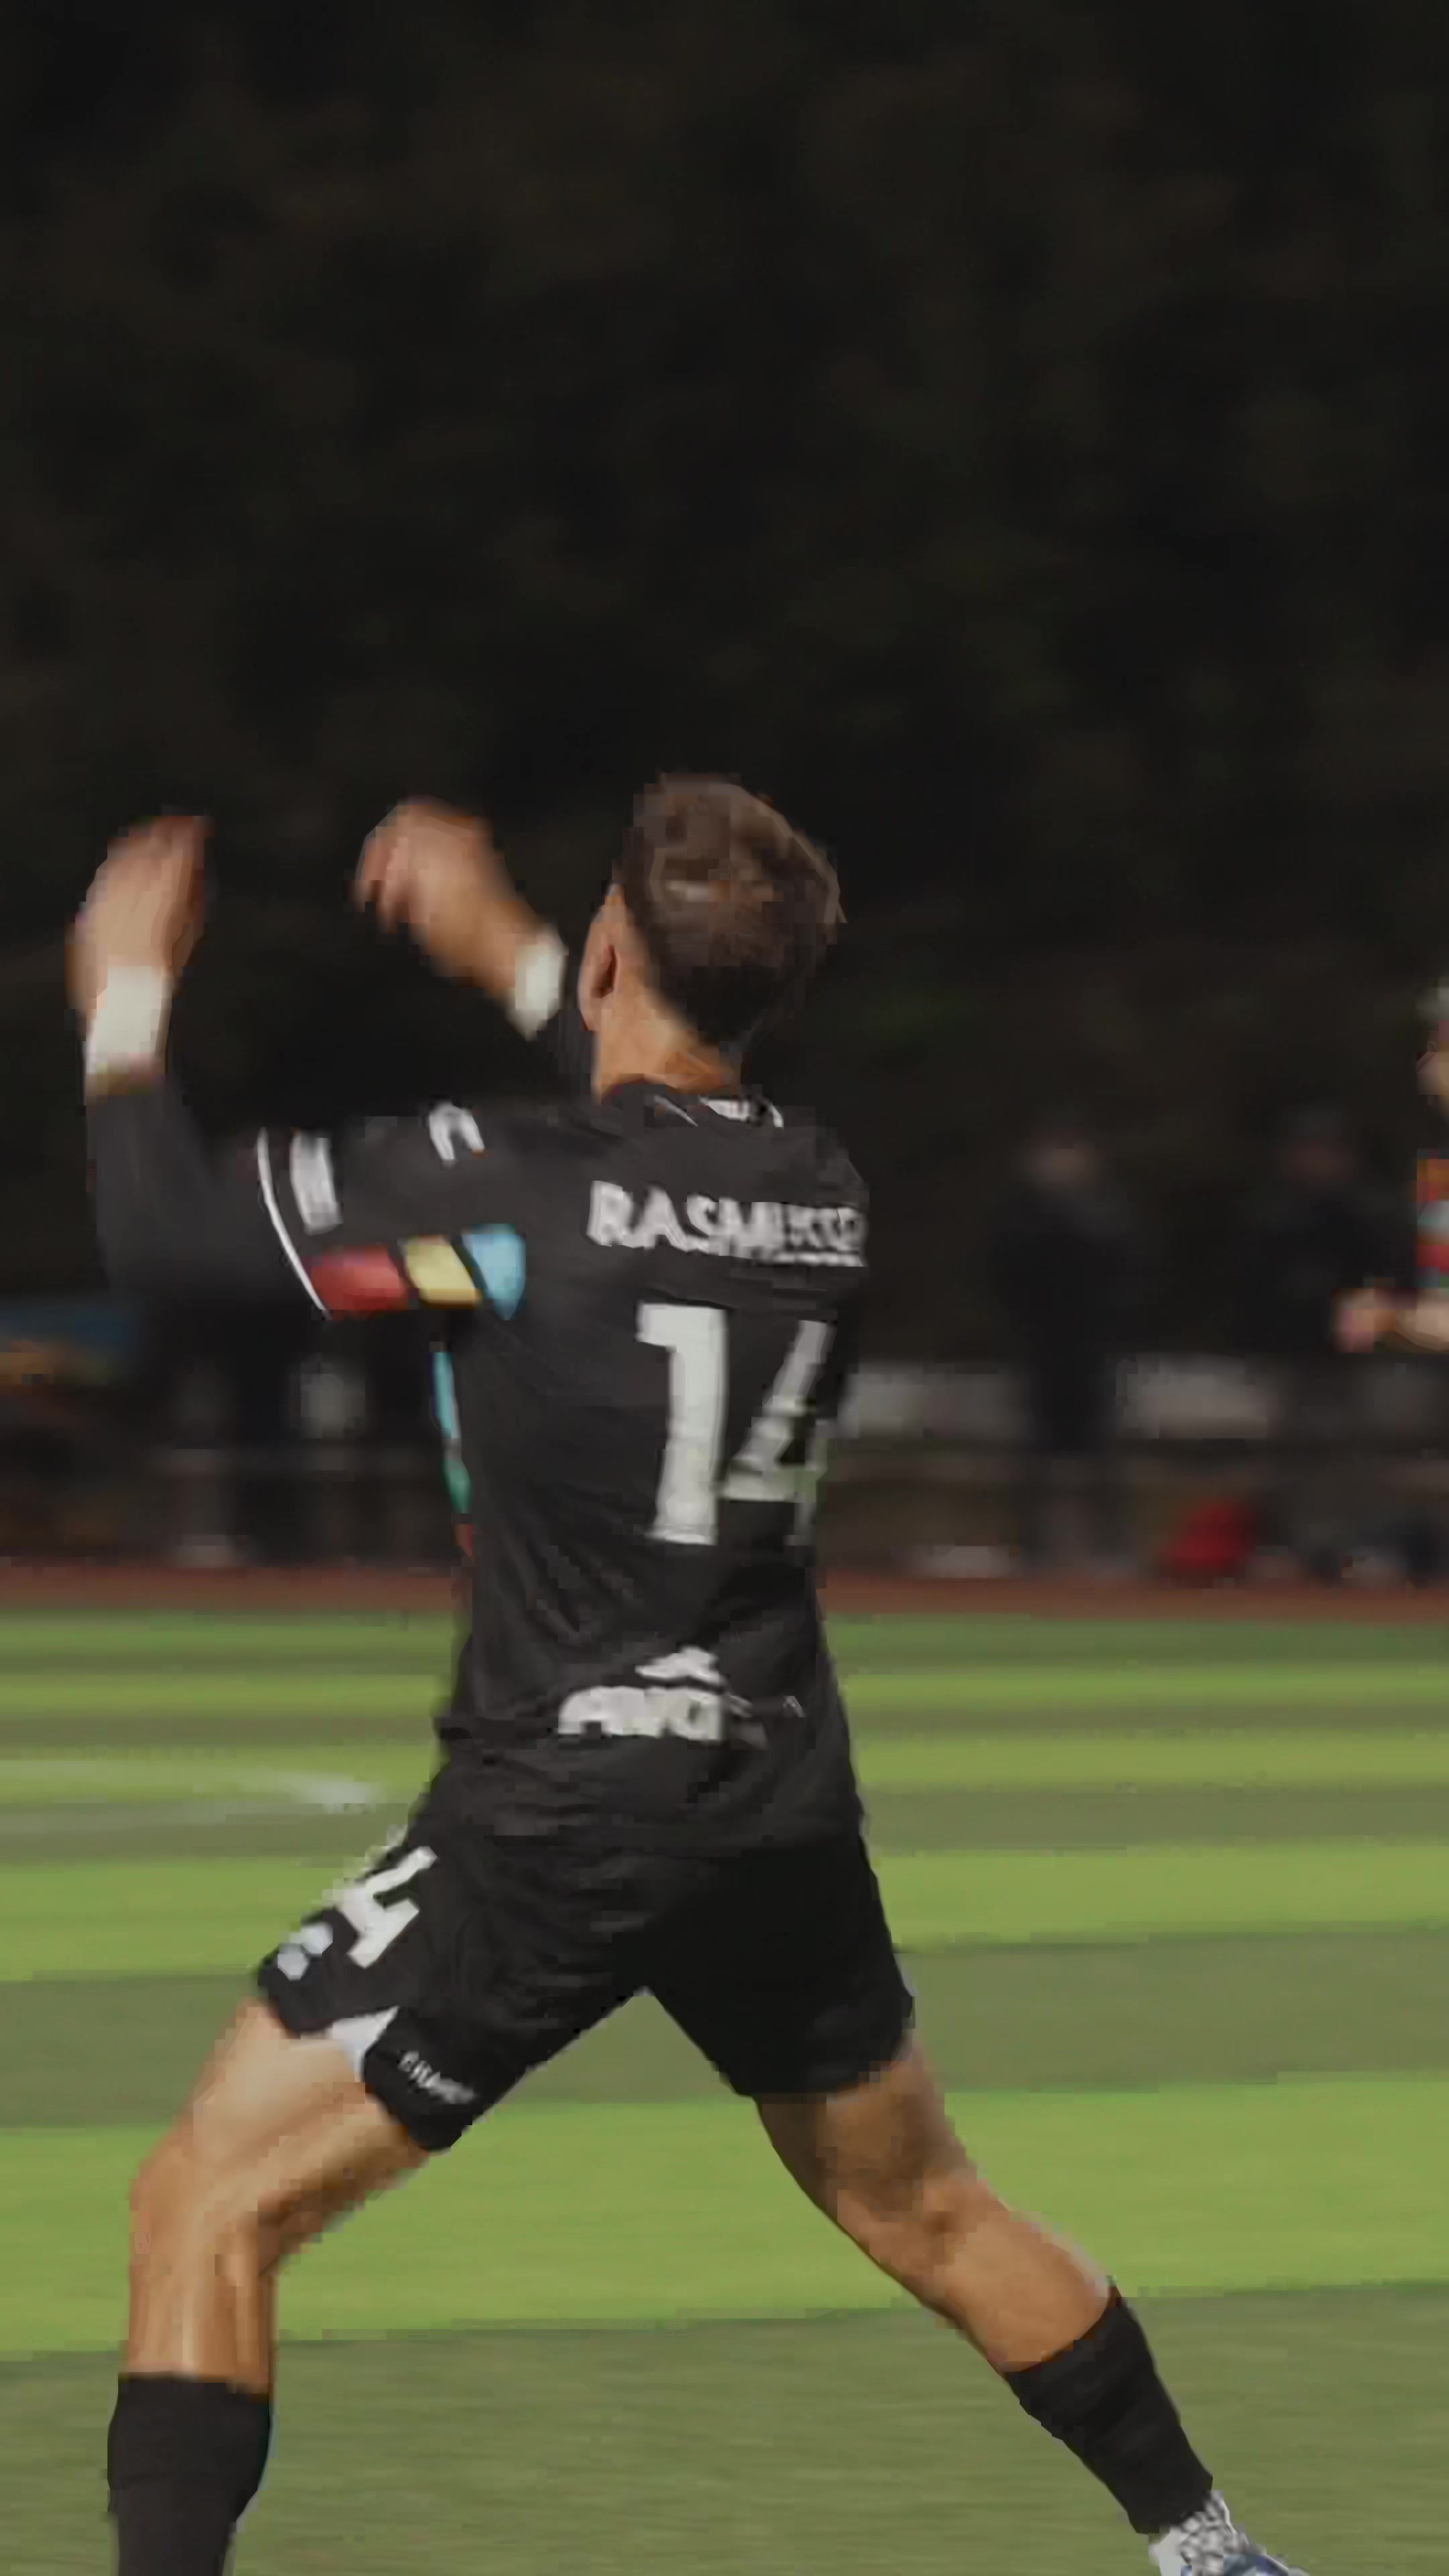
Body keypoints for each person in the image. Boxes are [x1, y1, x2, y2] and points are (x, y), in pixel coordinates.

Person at [73, 788, 1307, 2576]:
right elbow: (654, 1131)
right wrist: (510, 948)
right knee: (925, 2206)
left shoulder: (496, 1187)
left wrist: (121, 998)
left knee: (204, 2204)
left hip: (556, 1814)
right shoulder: (822, 1191)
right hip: (768, 1798)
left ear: (608, 957)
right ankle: (1208, 2546)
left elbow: (171, 1233)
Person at [1241, 1108, 1407, 1574]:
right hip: (1293, 1350)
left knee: (1352, 1452)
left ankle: (1358, 1545)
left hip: (1351, 1353)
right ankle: (1288, 1545)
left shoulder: (1368, 1215)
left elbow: (1390, 1281)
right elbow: (1254, 1286)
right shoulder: (1274, 1216)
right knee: (1291, 1451)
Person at [986, 1115, 1144, 1574]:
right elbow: (1002, 1277)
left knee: (1101, 1449)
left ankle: (1110, 1545)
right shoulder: (1019, 1216)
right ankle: (1035, 1547)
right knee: (1037, 1452)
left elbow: (1130, 1277)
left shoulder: (1111, 1214)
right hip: (1038, 1349)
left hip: (1095, 1349)